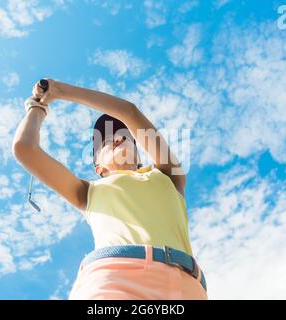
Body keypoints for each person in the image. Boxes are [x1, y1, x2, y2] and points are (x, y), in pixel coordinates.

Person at [12, 78, 208, 300]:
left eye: (125, 136)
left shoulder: (169, 175)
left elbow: (130, 112)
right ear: (99, 168)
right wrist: (37, 107)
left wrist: (61, 90)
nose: (117, 138)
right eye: (105, 142)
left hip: (187, 287)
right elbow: (24, 148)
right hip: (115, 282)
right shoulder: (87, 192)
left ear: (140, 155)